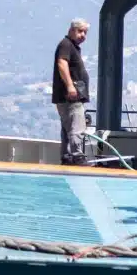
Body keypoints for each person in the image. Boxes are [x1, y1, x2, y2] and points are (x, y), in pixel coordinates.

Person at [52, 18, 91, 165]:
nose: (83, 35)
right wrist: (70, 86)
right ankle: (77, 156)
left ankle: (67, 156)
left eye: (85, 32)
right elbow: (62, 63)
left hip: (69, 96)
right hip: (70, 97)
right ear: (71, 30)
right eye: (80, 31)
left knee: (67, 127)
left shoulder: (71, 46)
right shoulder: (66, 45)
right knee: (76, 125)